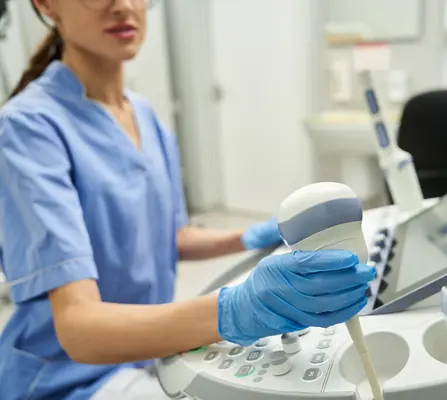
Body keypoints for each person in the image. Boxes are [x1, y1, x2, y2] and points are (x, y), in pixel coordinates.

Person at [0, 1, 374, 399]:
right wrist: (235, 308)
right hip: (69, 376)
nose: (123, 6)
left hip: (145, 351)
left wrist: (248, 236)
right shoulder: (28, 129)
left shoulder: (143, 115)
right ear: (46, 5)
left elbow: (167, 236)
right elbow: (79, 328)